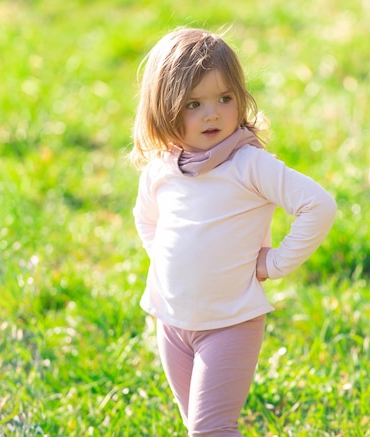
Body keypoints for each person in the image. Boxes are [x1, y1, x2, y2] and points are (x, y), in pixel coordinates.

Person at [130, 27, 337, 436]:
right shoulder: (162, 168)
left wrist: (275, 263)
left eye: (225, 99)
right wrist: (170, 264)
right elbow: (146, 219)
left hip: (228, 323)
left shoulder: (249, 165)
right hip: (172, 323)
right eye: (194, 104)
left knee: (209, 430)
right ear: (162, 109)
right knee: (199, 426)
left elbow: (319, 205)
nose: (213, 114)